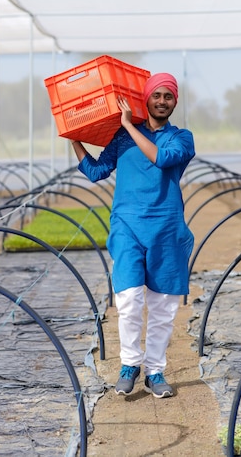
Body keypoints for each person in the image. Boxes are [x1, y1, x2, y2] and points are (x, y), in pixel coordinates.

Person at [70, 72, 195, 398]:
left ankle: (154, 371)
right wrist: (74, 139)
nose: (163, 101)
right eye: (157, 95)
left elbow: (161, 159)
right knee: (128, 300)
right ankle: (130, 364)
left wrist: (127, 125)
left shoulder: (181, 138)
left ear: (174, 102)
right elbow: (97, 171)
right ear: (147, 98)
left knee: (163, 306)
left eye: (169, 96)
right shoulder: (123, 137)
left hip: (166, 229)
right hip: (127, 226)